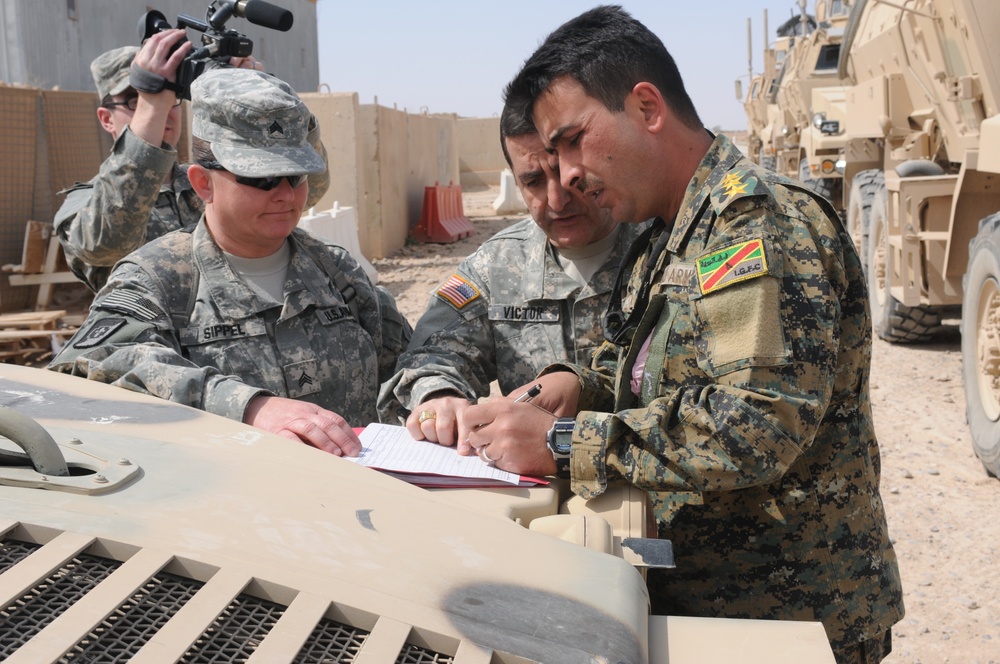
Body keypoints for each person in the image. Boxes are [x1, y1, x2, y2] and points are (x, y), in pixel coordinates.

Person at [460, 6, 903, 662]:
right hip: (705, 599)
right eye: (551, 157)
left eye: (575, 140)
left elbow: (755, 425)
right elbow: (651, 375)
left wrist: (560, 443)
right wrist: (572, 387)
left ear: (646, 106)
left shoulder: (757, 227)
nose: (570, 175)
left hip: (786, 618)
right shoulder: (667, 237)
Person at [49, 68, 410, 456]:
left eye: (297, 176)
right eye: (263, 179)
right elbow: (81, 371)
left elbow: (411, 360)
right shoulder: (159, 279)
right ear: (203, 183)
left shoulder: (335, 269)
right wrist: (247, 406)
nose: (286, 195)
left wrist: (435, 395)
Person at [377, 105, 647, 449]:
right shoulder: (495, 265)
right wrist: (440, 395)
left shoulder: (662, 248)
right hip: (533, 491)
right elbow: (432, 354)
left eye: (566, 174)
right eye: (533, 181)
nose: (557, 200)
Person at [54, 30, 330, 293]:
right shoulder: (87, 203)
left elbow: (310, 191)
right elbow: (106, 245)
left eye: (171, 96)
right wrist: (153, 105)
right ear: (105, 118)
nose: (163, 108)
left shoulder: (209, 178)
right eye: (133, 100)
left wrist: (259, 104)